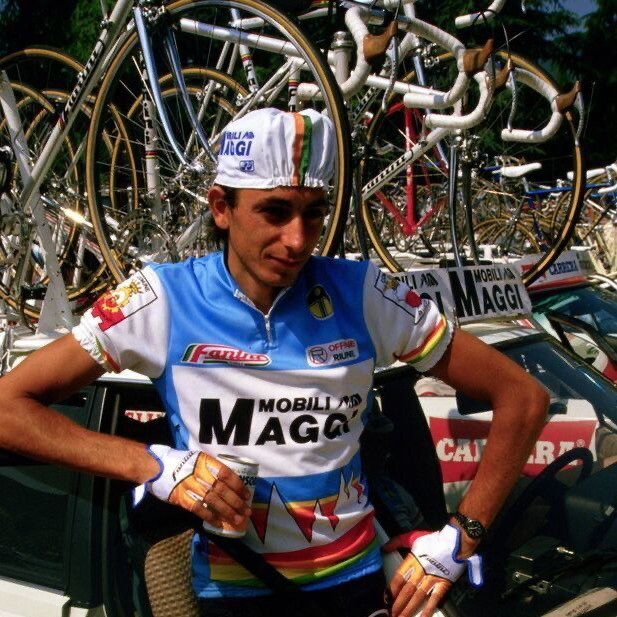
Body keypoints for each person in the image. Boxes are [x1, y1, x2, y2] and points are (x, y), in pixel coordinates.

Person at [0, 107, 548, 617]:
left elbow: (523, 398)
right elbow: (7, 407)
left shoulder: (363, 293)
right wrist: (155, 465)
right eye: (275, 211)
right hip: (231, 594)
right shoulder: (161, 300)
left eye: (314, 214)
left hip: (357, 590)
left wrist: (459, 540)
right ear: (221, 207)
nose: (298, 239)